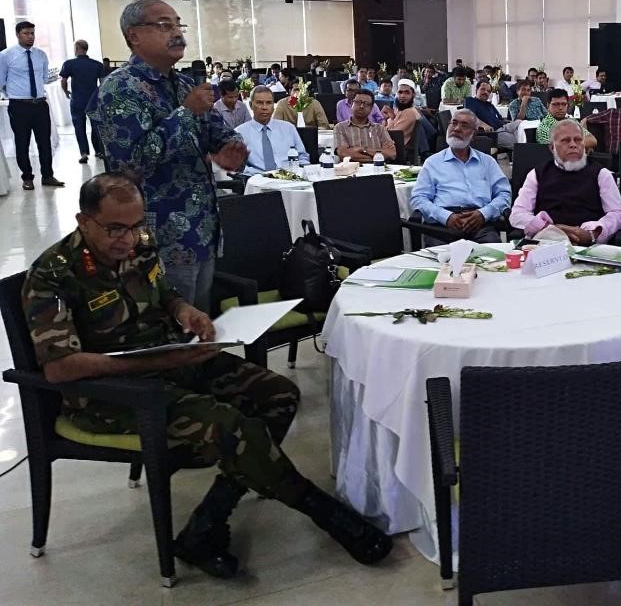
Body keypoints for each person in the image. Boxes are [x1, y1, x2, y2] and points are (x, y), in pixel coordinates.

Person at [23, 172, 392, 577]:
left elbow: (164, 295)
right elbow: (60, 367)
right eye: (114, 229)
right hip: (112, 394)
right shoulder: (53, 274)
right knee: (230, 425)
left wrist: (186, 311)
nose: (128, 239)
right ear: (83, 221)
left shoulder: (140, 245)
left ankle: (207, 523)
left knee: (279, 395)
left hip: (170, 362)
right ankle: (325, 513)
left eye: (136, 225)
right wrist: (155, 363)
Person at [89, 0, 247, 311]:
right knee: (166, 326)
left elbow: (219, 132)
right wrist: (186, 112)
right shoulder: (119, 88)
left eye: (178, 24)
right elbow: (131, 163)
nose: (176, 32)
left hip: (201, 230)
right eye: (164, 25)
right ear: (134, 35)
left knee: (198, 324)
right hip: (156, 237)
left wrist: (232, 148)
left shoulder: (185, 84)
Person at [510, 119, 621, 244]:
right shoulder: (537, 174)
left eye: (578, 140)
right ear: (552, 147)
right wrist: (549, 228)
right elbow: (517, 214)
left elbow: (618, 214)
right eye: (565, 140)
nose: (573, 145)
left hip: (588, 245)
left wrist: (594, 232)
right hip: (546, 243)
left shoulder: (601, 174)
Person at [411, 109, 511, 244]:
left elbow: (504, 194)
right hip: (443, 225)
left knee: (493, 254)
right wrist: (446, 217)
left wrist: (484, 214)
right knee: (442, 256)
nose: (457, 128)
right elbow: (418, 198)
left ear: (474, 134)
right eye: (454, 123)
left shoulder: (487, 162)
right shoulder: (433, 162)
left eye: (464, 125)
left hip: (480, 223)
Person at [0, 20, 64, 190]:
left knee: (45, 142)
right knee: (22, 143)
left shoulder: (40, 55)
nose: (30, 37)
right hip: (19, 106)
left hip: (40, 104)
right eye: (26, 33)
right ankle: (27, 178)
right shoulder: (5, 56)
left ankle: (48, 175)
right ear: (17, 35)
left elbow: (43, 78)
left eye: (32, 33)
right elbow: (1, 81)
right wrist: (15, 94)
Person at [235, 86, 310, 174]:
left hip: (289, 177)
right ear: (251, 105)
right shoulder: (239, 133)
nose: (264, 107)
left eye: (269, 103)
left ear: (273, 106)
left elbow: (302, 156)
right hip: (256, 178)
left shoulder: (288, 128)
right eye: (259, 103)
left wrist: (301, 173)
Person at [60, 39, 107, 164]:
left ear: (76, 48)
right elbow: (103, 83)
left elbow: (63, 80)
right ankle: (99, 151)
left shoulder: (69, 64)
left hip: (77, 100)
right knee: (96, 126)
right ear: (86, 49)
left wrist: (66, 92)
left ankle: (84, 153)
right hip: (93, 100)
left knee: (79, 127)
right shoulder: (97, 64)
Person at [333, 89, 396, 163]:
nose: (362, 106)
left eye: (366, 104)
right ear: (352, 104)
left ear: (371, 108)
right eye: (358, 102)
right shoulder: (340, 127)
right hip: (351, 169)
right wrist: (378, 156)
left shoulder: (379, 128)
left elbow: (391, 154)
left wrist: (363, 149)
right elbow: (343, 154)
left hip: (376, 168)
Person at [464, 79, 517, 149]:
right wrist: (483, 124)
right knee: (518, 141)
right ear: (476, 90)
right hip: (491, 133)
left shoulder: (490, 105)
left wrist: (510, 122)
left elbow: (500, 119)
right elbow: (469, 116)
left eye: (488, 91)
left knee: (520, 124)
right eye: (483, 89)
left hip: (502, 128)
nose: (486, 92)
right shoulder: (470, 101)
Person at [384, 79, 424, 148]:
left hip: (395, 149)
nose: (402, 96)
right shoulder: (399, 110)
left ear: (413, 95)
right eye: (400, 92)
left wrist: (390, 119)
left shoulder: (409, 112)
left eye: (407, 93)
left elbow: (391, 136)